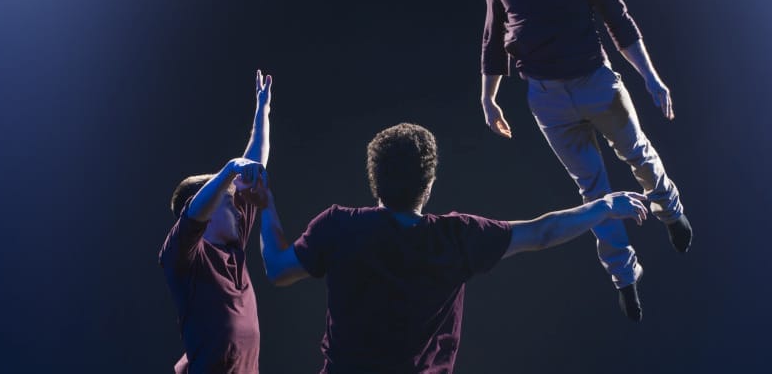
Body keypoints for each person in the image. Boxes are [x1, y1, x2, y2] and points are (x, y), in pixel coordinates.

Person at [253, 122, 647, 373]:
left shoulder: (339, 226)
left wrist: (265, 204)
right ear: (429, 184)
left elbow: (277, 269)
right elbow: (542, 233)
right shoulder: (456, 237)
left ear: (375, 179)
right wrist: (602, 207)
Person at [479, 0, 693, 322]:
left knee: (638, 155)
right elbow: (492, 39)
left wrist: (652, 79)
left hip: (596, 83)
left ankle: (669, 209)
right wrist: (489, 98)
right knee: (593, 189)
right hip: (546, 99)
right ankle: (624, 277)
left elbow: (621, 23)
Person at [159, 70, 272, 373]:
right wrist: (228, 171)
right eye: (228, 201)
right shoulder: (185, 258)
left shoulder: (234, 245)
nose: (238, 209)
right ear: (207, 213)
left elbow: (255, 161)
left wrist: (263, 110)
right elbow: (194, 213)